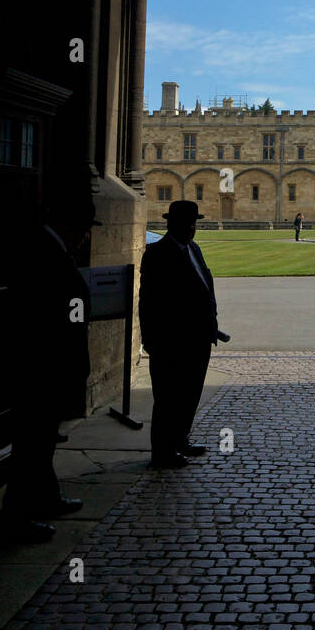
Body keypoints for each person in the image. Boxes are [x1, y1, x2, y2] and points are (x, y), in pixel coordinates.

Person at [0, 183, 98, 543]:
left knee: (41, 441)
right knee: (31, 444)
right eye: (86, 230)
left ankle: (46, 497)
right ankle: (16, 517)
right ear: (74, 227)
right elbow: (48, 314)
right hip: (40, 367)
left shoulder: (48, 247)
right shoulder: (44, 252)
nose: (86, 239)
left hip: (44, 365)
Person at [139, 200, 221, 468]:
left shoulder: (194, 249)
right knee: (167, 397)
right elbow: (148, 302)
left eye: (194, 223)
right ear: (170, 224)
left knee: (190, 393)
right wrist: (150, 340)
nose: (192, 228)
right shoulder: (156, 253)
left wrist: (212, 322)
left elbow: (205, 286)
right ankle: (162, 452)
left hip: (198, 339)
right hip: (171, 341)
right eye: (187, 223)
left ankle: (180, 439)